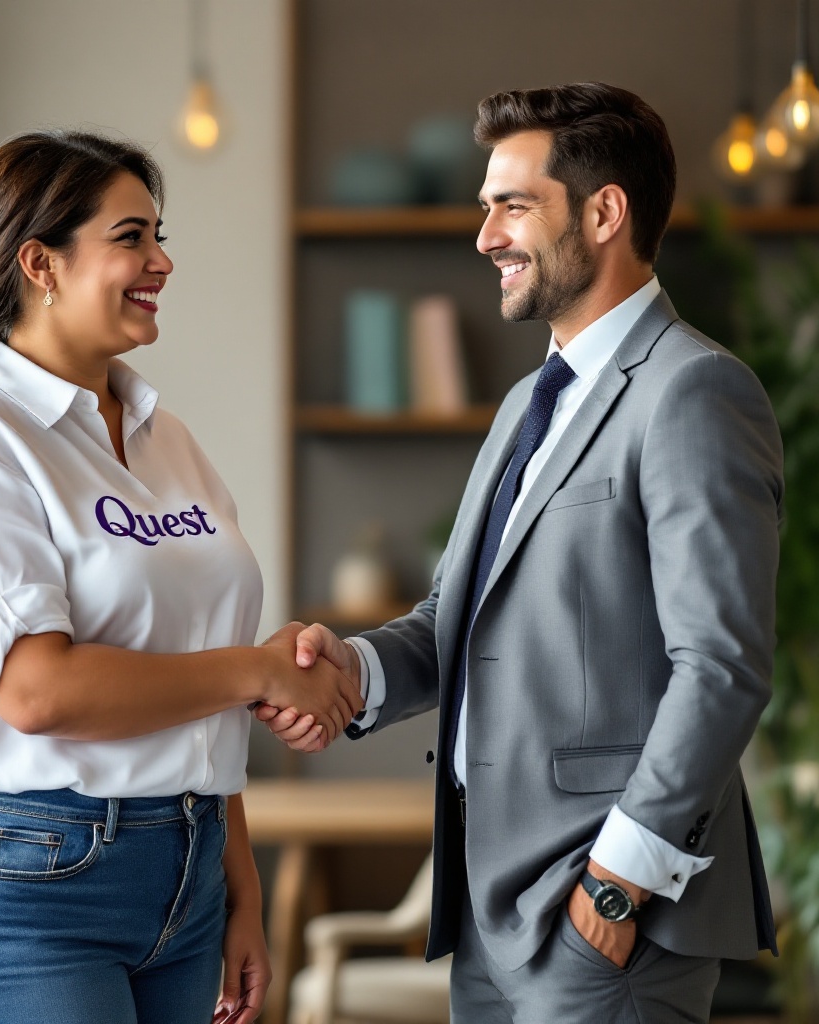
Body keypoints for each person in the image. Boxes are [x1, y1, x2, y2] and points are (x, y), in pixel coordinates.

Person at [259, 84, 782, 1024]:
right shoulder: (525, 405)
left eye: (512, 205)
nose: (485, 236)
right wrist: (358, 669)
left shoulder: (695, 391)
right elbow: (456, 617)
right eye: (484, 206)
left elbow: (723, 668)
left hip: (606, 917)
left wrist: (618, 887)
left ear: (605, 211)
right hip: (492, 912)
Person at [0, 129, 362, 1024]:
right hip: (21, 893)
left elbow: (191, 678)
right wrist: (256, 668)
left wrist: (239, 889)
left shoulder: (161, 435)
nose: (162, 260)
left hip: (187, 881)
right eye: (131, 237)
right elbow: (37, 689)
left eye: (158, 234)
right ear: (40, 263)